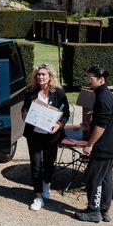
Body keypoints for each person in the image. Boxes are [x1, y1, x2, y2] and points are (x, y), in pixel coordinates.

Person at [75, 65, 113, 223]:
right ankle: (104, 210)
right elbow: (102, 121)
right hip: (111, 145)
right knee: (105, 178)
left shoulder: (103, 98)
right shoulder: (104, 94)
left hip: (103, 145)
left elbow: (101, 127)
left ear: (101, 80)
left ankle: (94, 211)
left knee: (93, 177)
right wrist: (91, 124)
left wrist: (90, 144)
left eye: (91, 78)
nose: (88, 81)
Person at [22, 63, 70, 211]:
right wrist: (24, 114)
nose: (40, 77)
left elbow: (66, 113)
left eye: (43, 74)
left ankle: (47, 184)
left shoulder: (59, 92)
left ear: (50, 77)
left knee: (49, 164)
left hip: (51, 136)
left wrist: (59, 125)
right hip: (34, 135)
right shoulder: (31, 92)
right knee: (36, 166)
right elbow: (24, 109)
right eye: (38, 74)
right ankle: (38, 197)